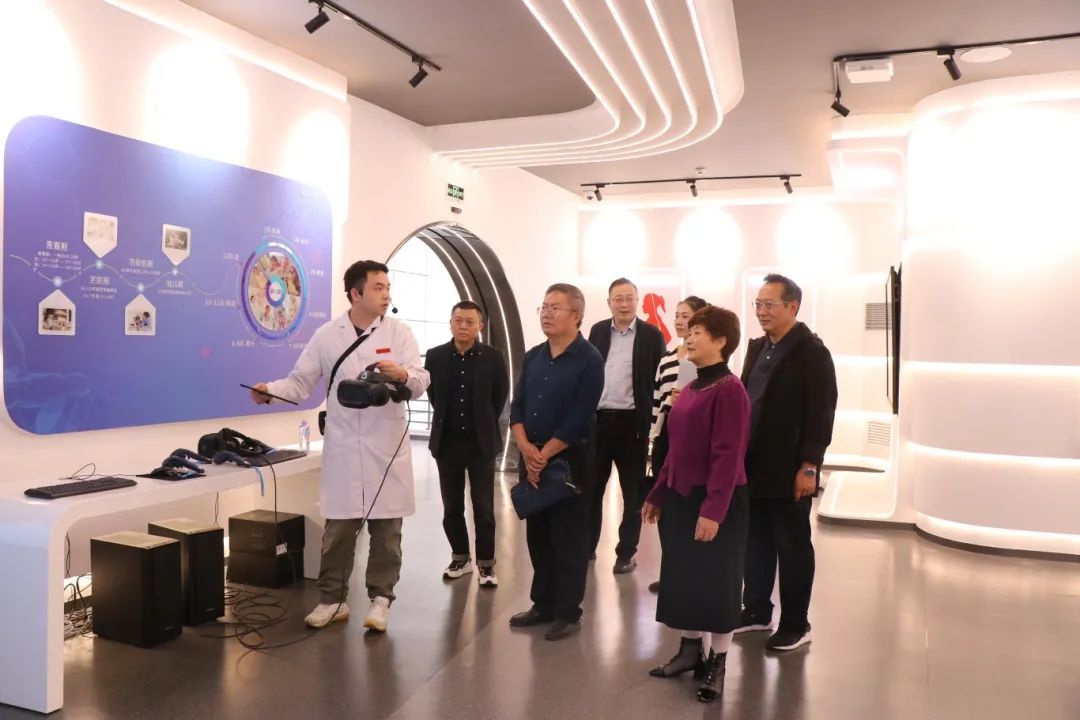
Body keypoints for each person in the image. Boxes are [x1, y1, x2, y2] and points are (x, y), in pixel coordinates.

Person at [250, 260, 430, 634]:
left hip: (386, 447)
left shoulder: (399, 333)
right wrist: (269, 391)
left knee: (387, 534)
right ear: (355, 293)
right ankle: (332, 600)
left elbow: (419, 379)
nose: (386, 294)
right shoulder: (327, 336)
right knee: (338, 532)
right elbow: (300, 383)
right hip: (345, 446)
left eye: (388, 287)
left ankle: (381, 600)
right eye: (378, 287)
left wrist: (402, 374)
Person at [642, 305, 749, 704]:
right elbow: (675, 450)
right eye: (689, 331)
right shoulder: (690, 388)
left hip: (716, 501)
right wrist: (658, 493)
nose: (688, 336)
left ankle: (717, 662)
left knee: (718, 583)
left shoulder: (730, 390)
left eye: (698, 332)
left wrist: (713, 511)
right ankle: (690, 652)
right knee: (684, 578)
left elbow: (728, 456)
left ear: (721, 341)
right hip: (682, 498)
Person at [736, 274, 837, 652]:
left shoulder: (812, 352)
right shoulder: (758, 347)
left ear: (792, 306)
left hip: (789, 467)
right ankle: (756, 610)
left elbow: (821, 412)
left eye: (770, 305)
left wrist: (810, 465)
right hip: (753, 463)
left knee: (792, 546)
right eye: (758, 305)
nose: (762, 312)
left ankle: (796, 623)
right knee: (755, 541)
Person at [508, 283, 604, 641]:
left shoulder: (589, 359)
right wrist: (525, 448)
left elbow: (580, 418)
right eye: (544, 307)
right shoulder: (534, 355)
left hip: (568, 460)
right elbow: (518, 406)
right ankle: (543, 604)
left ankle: (567, 611)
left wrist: (543, 455)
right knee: (539, 535)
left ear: (576, 316)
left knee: (568, 538)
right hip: (531, 455)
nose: (547, 314)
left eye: (555, 308)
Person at [425, 301, 510, 587]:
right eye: (458, 320)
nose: (463, 326)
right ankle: (460, 557)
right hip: (447, 444)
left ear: (480, 326)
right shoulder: (435, 356)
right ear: (451, 323)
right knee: (452, 507)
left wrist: (483, 421)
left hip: (480, 444)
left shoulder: (493, 357)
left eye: (469, 322)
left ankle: (486, 564)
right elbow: (434, 396)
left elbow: (499, 396)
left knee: (483, 508)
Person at [586, 278, 666, 573]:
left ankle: (626, 553)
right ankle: (587, 548)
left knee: (632, 494)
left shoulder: (651, 335)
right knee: (591, 490)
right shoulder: (597, 331)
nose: (624, 304)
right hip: (599, 422)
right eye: (618, 298)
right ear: (609, 302)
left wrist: (653, 425)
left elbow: (659, 380)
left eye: (629, 298)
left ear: (637, 301)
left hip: (634, 425)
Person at [645, 295, 708, 593]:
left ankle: (691, 570)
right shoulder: (667, 359)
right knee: (665, 506)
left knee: (689, 505)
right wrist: (653, 437)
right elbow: (656, 402)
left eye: (687, 316)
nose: (680, 321)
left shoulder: (706, 360)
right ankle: (670, 568)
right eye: (678, 315)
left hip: (693, 439)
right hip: (666, 436)